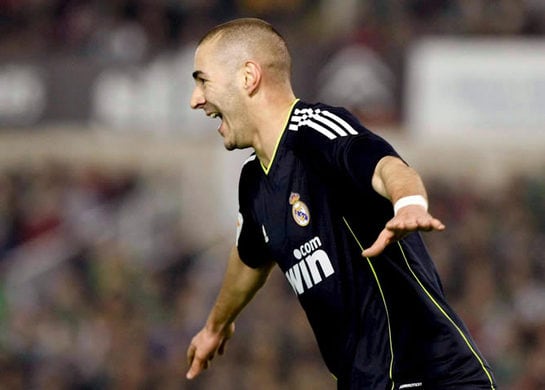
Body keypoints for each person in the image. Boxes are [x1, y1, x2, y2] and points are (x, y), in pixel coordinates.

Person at [186, 17, 497, 389]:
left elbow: (386, 167)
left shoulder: (318, 131)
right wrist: (215, 326)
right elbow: (250, 258)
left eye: (203, 80)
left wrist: (409, 202)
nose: (196, 99)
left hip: (431, 377)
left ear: (248, 77)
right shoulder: (254, 182)